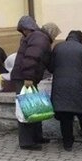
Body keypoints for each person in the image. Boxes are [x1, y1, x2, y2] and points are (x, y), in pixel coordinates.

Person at [49, 30, 82, 152]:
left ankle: (68, 144)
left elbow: (50, 67)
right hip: (78, 87)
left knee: (65, 116)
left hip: (60, 86)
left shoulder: (57, 48)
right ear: (81, 39)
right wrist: (81, 78)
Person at [11, 15, 52, 150]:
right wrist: (28, 77)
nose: (23, 33)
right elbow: (31, 58)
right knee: (27, 108)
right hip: (25, 78)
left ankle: (36, 136)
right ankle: (27, 142)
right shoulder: (38, 37)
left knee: (34, 106)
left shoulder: (36, 37)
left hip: (26, 77)